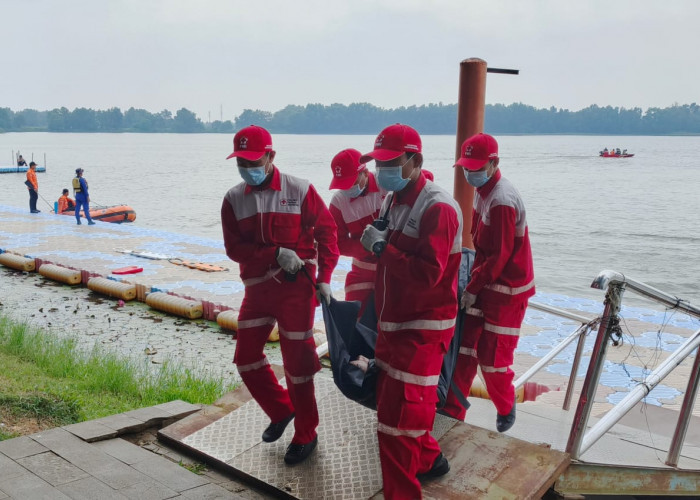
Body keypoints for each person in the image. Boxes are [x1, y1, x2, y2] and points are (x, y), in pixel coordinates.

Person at [221, 125, 339, 465]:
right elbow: (234, 249)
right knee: (246, 357)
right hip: (257, 288)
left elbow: (328, 233)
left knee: (298, 365)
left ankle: (306, 433)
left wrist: (326, 278)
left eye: (252, 161)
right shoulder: (232, 199)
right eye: (240, 162)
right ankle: (281, 408)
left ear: (271, 156)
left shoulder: (300, 190)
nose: (247, 168)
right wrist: (273, 254)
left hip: (296, 289)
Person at [357, 123, 463, 499]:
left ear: (415, 161)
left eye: (390, 163)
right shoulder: (393, 200)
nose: (381, 171)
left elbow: (428, 276)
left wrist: (385, 249)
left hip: (422, 330)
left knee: (396, 426)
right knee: (400, 409)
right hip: (393, 325)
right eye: (378, 163)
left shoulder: (439, 209)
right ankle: (430, 459)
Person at [442, 133, 535, 434]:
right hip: (484, 283)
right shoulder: (484, 190)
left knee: (493, 361)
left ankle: (506, 405)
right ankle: (452, 414)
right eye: (466, 168)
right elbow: (482, 248)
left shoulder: (502, 200)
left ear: (494, 163)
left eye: (475, 167)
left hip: (506, 293)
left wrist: (471, 288)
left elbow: (500, 256)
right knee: (464, 352)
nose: (469, 173)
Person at [328, 148, 387, 314]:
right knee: (355, 319)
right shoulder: (339, 201)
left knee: (390, 318)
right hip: (361, 271)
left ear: (366, 173)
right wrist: (366, 247)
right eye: (342, 184)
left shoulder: (386, 186)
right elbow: (336, 242)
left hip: (392, 266)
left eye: (351, 183)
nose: (347, 188)